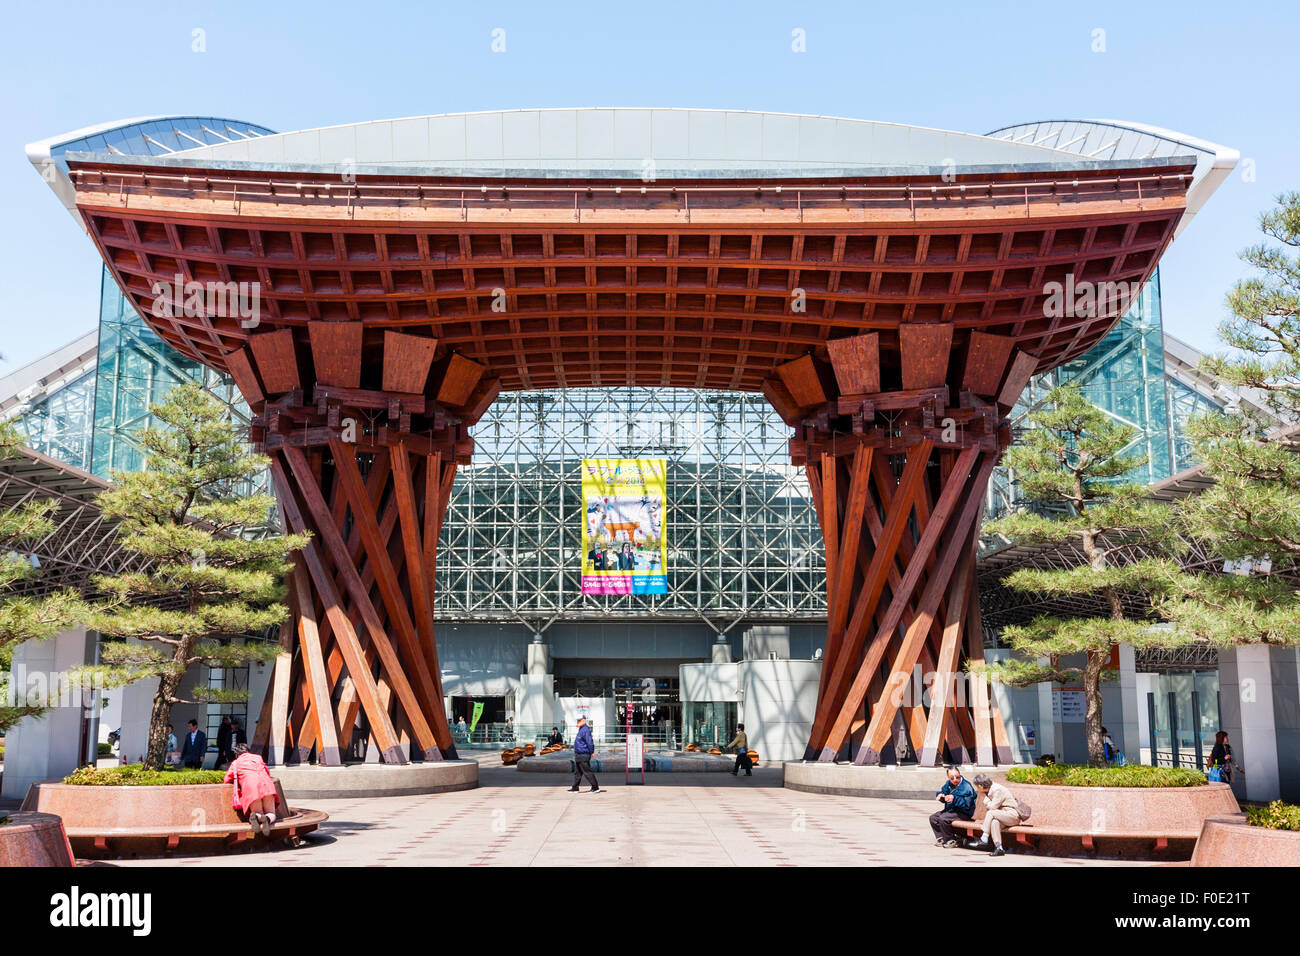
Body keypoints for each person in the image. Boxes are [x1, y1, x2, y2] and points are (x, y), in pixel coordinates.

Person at [223, 743, 281, 836]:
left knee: (257, 812)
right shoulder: (258, 758)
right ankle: (267, 819)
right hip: (267, 785)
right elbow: (266, 771)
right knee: (271, 812)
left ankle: (256, 817)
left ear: (236, 754)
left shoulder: (236, 763)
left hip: (251, 788)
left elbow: (227, 779)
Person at [966, 773, 1021, 856]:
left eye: (977, 786)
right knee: (995, 822)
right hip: (1002, 815)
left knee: (991, 812)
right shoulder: (988, 791)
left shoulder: (997, 790)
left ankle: (984, 838)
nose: (977, 788)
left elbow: (993, 807)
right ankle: (999, 848)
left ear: (980, 786)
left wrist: (986, 800)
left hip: (1012, 815)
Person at [930, 766, 976, 847]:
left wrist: (954, 799)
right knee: (933, 818)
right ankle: (941, 838)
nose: (955, 780)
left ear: (960, 775)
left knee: (943, 818)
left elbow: (967, 805)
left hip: (965, 813)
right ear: (948, 777)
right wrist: (941, 796)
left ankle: (951, 840)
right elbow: (944, 792)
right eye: (952, 778)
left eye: (957, 777)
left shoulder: (966, 786)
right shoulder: (948, 784)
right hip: (952, 810)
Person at [568, 716, 600, 793]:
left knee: (587, 771)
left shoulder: (585, 730)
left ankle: (595, 787)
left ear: (583, 720)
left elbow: (589, 742)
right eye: (577, 720)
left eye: (579, 720)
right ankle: (575, 787)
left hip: (583, 754)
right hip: (579, 754)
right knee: (577, 772)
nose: (577, 722)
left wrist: (591, 751)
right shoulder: (581, 729)